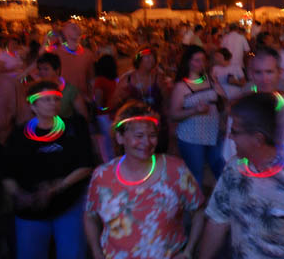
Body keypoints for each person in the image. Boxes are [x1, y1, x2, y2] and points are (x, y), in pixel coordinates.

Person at [199, 92, 284, 259]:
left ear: (258, 139)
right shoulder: (234, 169)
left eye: (235, 131)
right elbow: (217, 221)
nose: (230, 137)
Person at [84, 101, 204, 259]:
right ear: (120, 137)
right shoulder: (102, 175)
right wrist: (96, 252)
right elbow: (90, 216)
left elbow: (199, 210)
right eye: (139, 136)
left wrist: (188, 252)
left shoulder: (176, 170)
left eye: (152, 135)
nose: (147, 142)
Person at [3, 80, 93, 259]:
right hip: (30, 211)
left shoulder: (74, 127)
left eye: (56, 99)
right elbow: (7, 172)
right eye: (46, 99)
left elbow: (85, 165)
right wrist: (20, 195)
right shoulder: (19, 135)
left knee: (71, 254)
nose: (53, 103)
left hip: (68, 205)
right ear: (33, 106)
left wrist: (56, 188)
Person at [170, 45, 228, 187]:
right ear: (188, 62)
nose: (201, 64)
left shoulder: (209, 80)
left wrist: (216, 84)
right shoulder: (181, 86)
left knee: (221, 169)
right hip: (191, 137)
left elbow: (223, 99)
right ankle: (196, 200)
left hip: (213, 133)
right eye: (197, 60)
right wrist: (195, 110)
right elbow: (174, 114)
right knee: (196, 175)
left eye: (203, 60)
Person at [112, 46, 169, 152]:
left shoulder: (158, 78)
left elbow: (166, 101)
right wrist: (123, 98)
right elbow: (114, 103)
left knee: (156, 152)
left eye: (152, 56)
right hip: (134, 127)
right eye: (146, 56)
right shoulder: (127, 80)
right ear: (138, 59)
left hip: (155, 124)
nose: (150, 59)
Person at [35, 52, 88, 121]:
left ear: (57, 71)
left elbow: (83, 116)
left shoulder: (69, 90)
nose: (41, 72)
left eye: (46, 69)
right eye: (39, 69)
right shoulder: (37, 90)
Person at [53, 22, 95, 100]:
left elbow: (91, 79)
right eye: (73, 27)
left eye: (77, 26)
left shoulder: (87, 54)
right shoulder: (56, 53)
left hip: (82, 98)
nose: (76, 27)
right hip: (62, 99)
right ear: (65, 32)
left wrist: (91, 97)